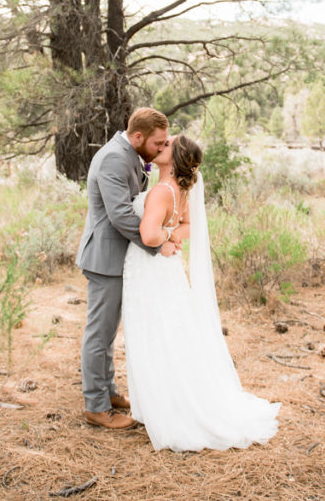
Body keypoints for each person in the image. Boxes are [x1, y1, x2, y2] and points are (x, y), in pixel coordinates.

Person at [122, 135, 280, 451]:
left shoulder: (162, 191)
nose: (161, 145)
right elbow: (188, 226)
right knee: (170, 334)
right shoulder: (180, 190)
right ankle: (170, 401)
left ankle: (167, 409)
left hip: (149, 271)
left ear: (176, 157)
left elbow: (149, 235)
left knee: (154, 335)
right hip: (166, 271)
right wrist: (171, 235)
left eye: (167, 145)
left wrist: (162, 237)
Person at [75, 108, 179, 429]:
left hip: (117, 257)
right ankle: (96, 406)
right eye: (157, 143)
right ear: (137, 136)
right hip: (104, 258)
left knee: (107, 334)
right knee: (99, 334)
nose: (161, 149)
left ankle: (108, 392)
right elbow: (120, 214)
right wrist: (155, 243)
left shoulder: (129, 154)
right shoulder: (113, 159)